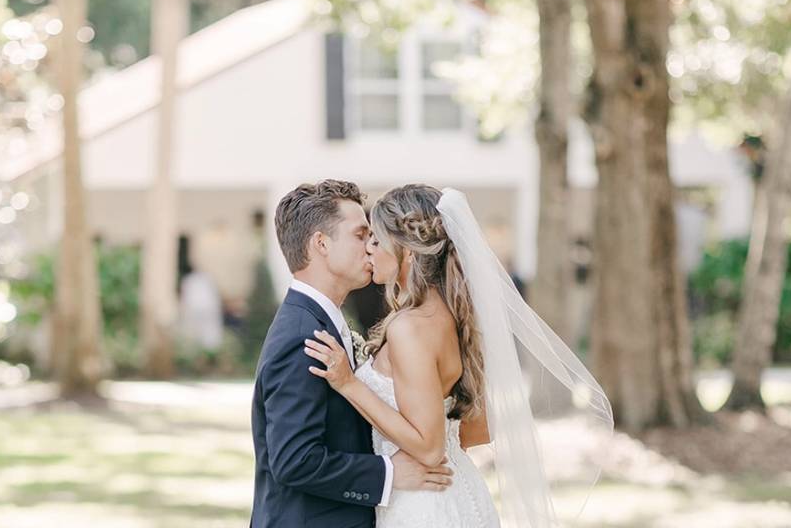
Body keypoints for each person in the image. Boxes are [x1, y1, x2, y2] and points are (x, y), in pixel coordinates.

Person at [305, 184, 614, 527]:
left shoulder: (408, 327)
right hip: (459, 492)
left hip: (422, 505)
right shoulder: (456, 318)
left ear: (406, 251)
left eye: (376, 239)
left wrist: (350, 384)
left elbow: (429, 448)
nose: (368, 250)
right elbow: (478, 429)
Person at [249, 180, 453, 528]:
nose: (372, 245)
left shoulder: (323, 322)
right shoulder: (302, 335)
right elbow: (294, 460)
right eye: (361, 235)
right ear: (321, 244)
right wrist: (387, 475)